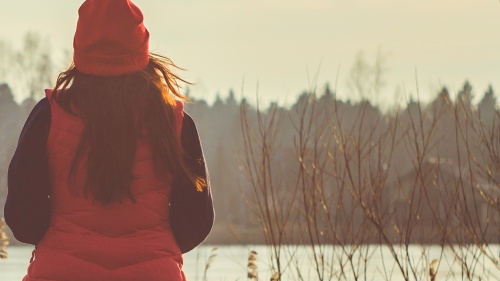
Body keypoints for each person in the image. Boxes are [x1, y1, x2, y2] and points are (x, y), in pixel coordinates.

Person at [4, 0, 214, 280]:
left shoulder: (48, 116)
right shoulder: (174, 122)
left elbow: (24, 220)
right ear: (142, 51)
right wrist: (152, 248)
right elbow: (196, 222)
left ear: (80, 50)